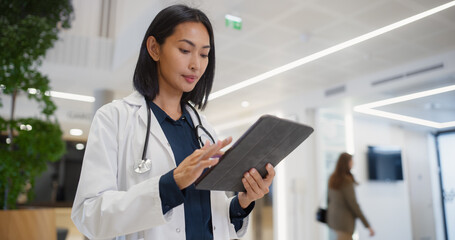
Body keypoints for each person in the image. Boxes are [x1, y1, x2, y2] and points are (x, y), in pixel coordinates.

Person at [71, 4, 275, 240]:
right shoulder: (114, 119)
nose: (196, 65)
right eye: (185, 50)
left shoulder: (203, 128)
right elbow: (89, 216)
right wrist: (171, 183)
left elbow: (211, 217)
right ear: (154, 48)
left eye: (204, 54)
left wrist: (243, 201)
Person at [327, 152, 375, 240]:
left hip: (333, 220)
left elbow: (329, 199)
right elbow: (353, 204)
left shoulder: (332, 178)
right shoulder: (346, 181)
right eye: (351, 161)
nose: (353, 164)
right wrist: (367, 225)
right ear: (347, 163)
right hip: (344, 223)